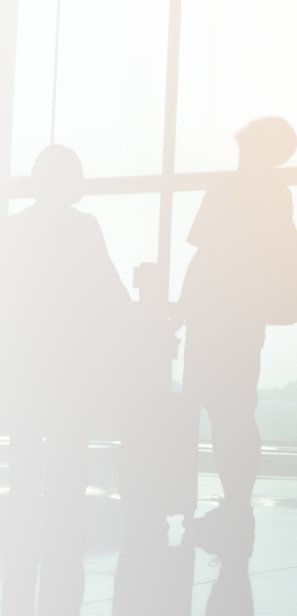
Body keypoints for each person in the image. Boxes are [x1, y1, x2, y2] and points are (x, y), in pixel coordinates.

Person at [0, 146, 134, 614]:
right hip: (68, 357)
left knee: (23, 444)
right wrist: (132, 327)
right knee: (66, 444)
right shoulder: (82, 228)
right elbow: (106, 288)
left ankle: (19, 520)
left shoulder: (15, 227)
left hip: (23, 356)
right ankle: (61, 521)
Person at [179, 116, 297, 545]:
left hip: (214, 317)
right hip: (244, 319)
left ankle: (233, 506)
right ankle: (238, 504)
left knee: (219, 414)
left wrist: (185, 307)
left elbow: (204, 258)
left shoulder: (225, 191)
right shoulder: (277, 196)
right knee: (236, 412)